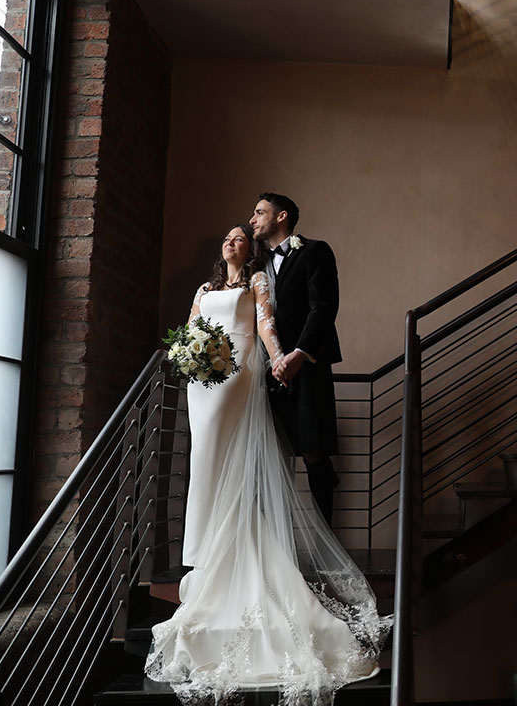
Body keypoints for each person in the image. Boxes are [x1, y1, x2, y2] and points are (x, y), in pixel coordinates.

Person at [146, 224, 390, 706]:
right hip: (204, 377)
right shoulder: (204, 287)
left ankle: (226, 546)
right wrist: (186, 356)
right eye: (228, 238)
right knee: (205, 459)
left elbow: (264, 324)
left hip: (238, 371)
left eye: (240, 237)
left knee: (223, 454)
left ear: (249, 247)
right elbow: (191, 325)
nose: (232, 241)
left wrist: (278, 358)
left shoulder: (256, 281)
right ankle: (209, 547)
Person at [249, 193, 343, 524]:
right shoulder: (254, 261)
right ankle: (275, 544)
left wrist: (299, 355)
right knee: (267, 452)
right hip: (262, 369)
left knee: (312, 450)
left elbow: (324, 307)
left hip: (307, 367)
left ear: (282, 216)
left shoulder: (315, 251)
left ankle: (326, 540)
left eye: (260, 212)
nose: (252, 219)